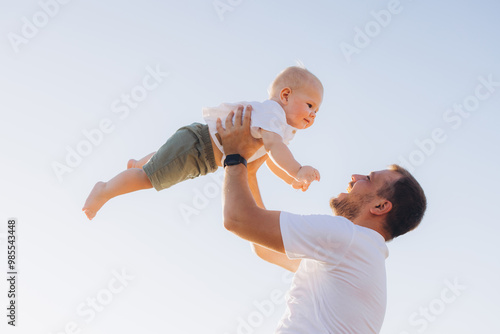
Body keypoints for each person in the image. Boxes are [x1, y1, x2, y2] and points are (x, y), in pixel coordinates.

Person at [217, 107, 427, 333]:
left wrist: (235, 156)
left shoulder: (347, 237)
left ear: (380, 206)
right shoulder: (356, 253)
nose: (355, 177)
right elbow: (264, 247)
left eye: (368, 178)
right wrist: (248, 173)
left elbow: (237, 220)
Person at [82, 66, 323, 220]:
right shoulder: (274, 114)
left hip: (201, 152)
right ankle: (104, 190)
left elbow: (271, 159)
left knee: (158, 165)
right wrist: (297, 169)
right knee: (148, 178)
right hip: (199, 147)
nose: (313, 114)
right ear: (285, 95)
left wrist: (291, 178)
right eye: (310, 105)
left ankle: (139, 162)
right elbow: (274, 149)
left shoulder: (281, 129)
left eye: (317, 111)